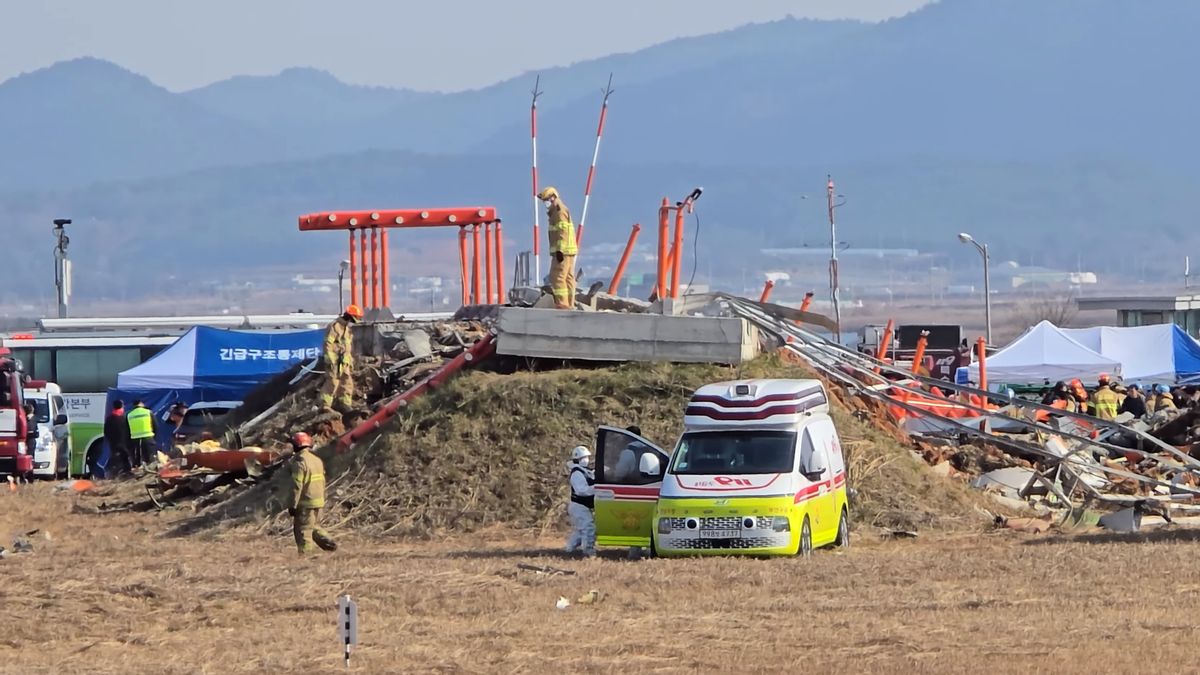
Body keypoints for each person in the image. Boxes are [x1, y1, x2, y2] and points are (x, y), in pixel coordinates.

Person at [288, 432, 337, 555]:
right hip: (318, 501)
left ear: (296, 445)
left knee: (303, 530)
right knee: (312, 525)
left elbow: (296, 486)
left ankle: (306, 557)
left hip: (305, 503)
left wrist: (292, 505)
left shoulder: (300, 463)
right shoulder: (317, 460)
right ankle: (330, 544)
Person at [537, 186, 578, 310]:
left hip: (563, 251)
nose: (545, 203)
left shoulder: (559, 212)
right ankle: (569, 304)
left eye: (546, 200)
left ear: (553, 197)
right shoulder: (558, 211)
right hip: (568, 250)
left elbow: (562, 231)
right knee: (568, 278)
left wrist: (560, 250)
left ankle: (562, 305)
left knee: (557, 276)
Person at [320, 305, 362, 413]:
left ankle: (345, 404)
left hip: (345, 362)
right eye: (353, 319)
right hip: (334, 361)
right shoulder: (335, 326)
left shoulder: (347, 330)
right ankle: (325, 405)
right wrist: (330, 359)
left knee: (347, 384)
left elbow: (348, 347)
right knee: (333, 383)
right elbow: (328, 344)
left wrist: (351, 361)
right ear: (349, 317)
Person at [564, 445, 596, 557]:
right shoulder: (577, 473)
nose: (586, 460)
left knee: (580, 530)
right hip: (579, 506)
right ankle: (588, 552)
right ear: (578, 459)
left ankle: (569, 550)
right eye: (584, 457)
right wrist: (597, 488)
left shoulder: (584, 471)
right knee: (588, 527)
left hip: (582, 506)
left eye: (587, 457)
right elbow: (582, 491)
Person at [103, 400, 132, 477]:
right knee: (125, 458)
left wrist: (110, 440)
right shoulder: (124, 418)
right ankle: (126, 473)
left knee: (115, 458)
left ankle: (113, 474)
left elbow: (106, 431)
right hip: (123, 443)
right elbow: (128, 431)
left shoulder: (109, 418)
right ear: (122, 407)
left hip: (113, 443)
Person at [126, 400, 158, 469]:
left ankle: (137, 476)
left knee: (137, 462)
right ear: (141, 404)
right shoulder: (148, 412)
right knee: (150, 460)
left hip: (135, 441)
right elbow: (155, 426)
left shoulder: (129, 415)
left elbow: (127, 430)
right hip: (148, 439)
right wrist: (153, 436)